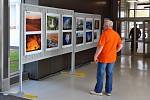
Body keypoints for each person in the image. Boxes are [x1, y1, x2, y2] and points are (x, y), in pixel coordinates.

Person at [90, 20, 122, 96]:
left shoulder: (104, 34)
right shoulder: (116, 34)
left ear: (107, 26)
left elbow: (101, 46)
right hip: (112, 58)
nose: (103, 27)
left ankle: (98, 91)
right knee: (109, 74)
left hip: (103, 58)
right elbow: (120, 46)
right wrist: (115, 51)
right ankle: (108, 91)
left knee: (100, 74)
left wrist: (95, 56)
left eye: (104, 25)